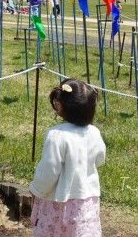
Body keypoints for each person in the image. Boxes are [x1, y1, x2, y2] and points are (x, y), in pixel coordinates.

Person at [30, 78, 106, 237]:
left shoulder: (57, 135)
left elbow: (49, 170)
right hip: (86, 203)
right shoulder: (94, 133)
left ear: (59, 106)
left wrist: (37, 189)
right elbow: (100, 159)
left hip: (58, 204)